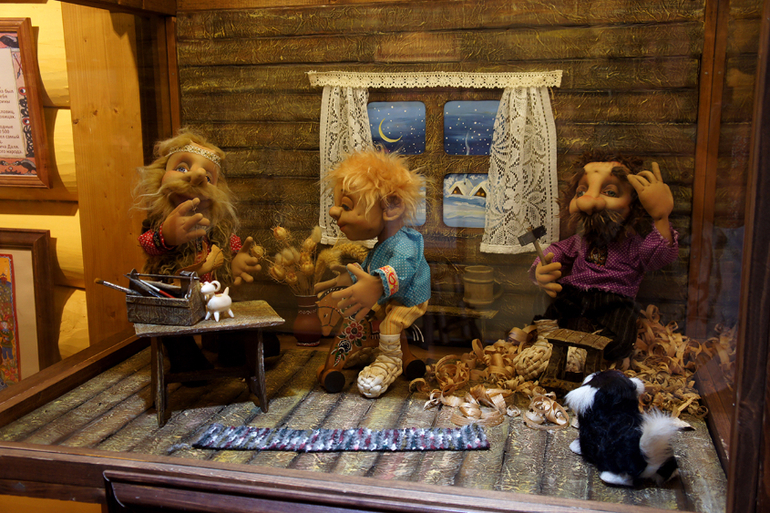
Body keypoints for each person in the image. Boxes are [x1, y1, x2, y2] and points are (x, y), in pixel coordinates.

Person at [133, 129, 263, 378]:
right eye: (181, 168)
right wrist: (167, 235)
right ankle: (186, 360)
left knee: (227, 319)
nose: (196, 176)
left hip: (211, 291)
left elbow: (232, 245)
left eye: (208, 177)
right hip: (177, 295)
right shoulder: (157, 223)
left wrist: (236, 260)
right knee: (175, 332)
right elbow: (147, 243)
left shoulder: (219, 227)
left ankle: (229, 349)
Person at [530, 151, 679, 361]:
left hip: (614, 301)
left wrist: (661, 217)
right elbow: (558, 250)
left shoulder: (632, 245)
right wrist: (541, 267)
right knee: (549, 315)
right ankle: (563, 346)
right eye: (581, 191)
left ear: (635, 204)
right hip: (576, 295)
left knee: (620, 339)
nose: (588, 202)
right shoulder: (581, 240)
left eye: (610, 192)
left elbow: (657, 257)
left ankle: (587, 352)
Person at [315, 148, 430, 398]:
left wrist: (377, 284)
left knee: (390, 322)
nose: (334, 212)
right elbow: (369, 266)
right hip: (390, 296)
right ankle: (384, 350)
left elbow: (402, 266)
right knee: (364, 317)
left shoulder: (405, 244)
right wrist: (347, 278)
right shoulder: (381, 245)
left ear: (391, 206)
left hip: (410, 298)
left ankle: (390, 360)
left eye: (346, 205)